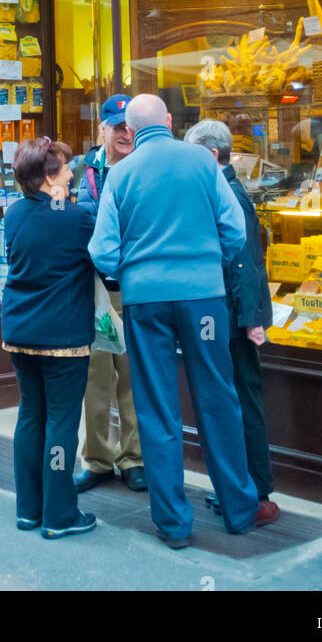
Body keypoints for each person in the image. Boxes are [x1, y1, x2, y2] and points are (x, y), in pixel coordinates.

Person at [89, 94, 276, 547]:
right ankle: (239, 509)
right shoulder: (201, 161)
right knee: (218, 398)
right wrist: (208, 263)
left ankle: (173, 524)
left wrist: (129, 274)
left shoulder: (121, 173)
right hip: (203, 299)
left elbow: (101, 250)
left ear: (130, 131)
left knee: (156, 406)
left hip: (145, 301)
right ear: (169, 121)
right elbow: (234, 231)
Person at [1, 137, 98, 540]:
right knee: (61, 422)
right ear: (48, 176)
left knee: (30, 416)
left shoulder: (13, 213)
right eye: (65, 168)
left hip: (20, 330)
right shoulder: (74, 218)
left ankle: (29, 509)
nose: (72, 172)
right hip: (63, 335)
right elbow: (102, 258)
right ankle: (59, 514)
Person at [185, 119, 278, 520]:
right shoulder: (221, 188)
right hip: (232, 314)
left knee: (241, 400)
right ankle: (242, 489)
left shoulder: (228, 193)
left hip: (234, 317)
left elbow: (243, 261)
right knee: (233, 399)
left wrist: (250, 317)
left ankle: (256, 494)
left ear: (210, 154)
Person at [73, 94, 146, 494]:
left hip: (134, 287)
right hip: (95, 288)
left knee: (133, 378)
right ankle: (98, 459)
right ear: (102, 129)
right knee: (95, 378)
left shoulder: (144, 167)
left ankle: (133, 458)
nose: (124, 134)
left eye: (129, 127)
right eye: (117, 127)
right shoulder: (80, 171)